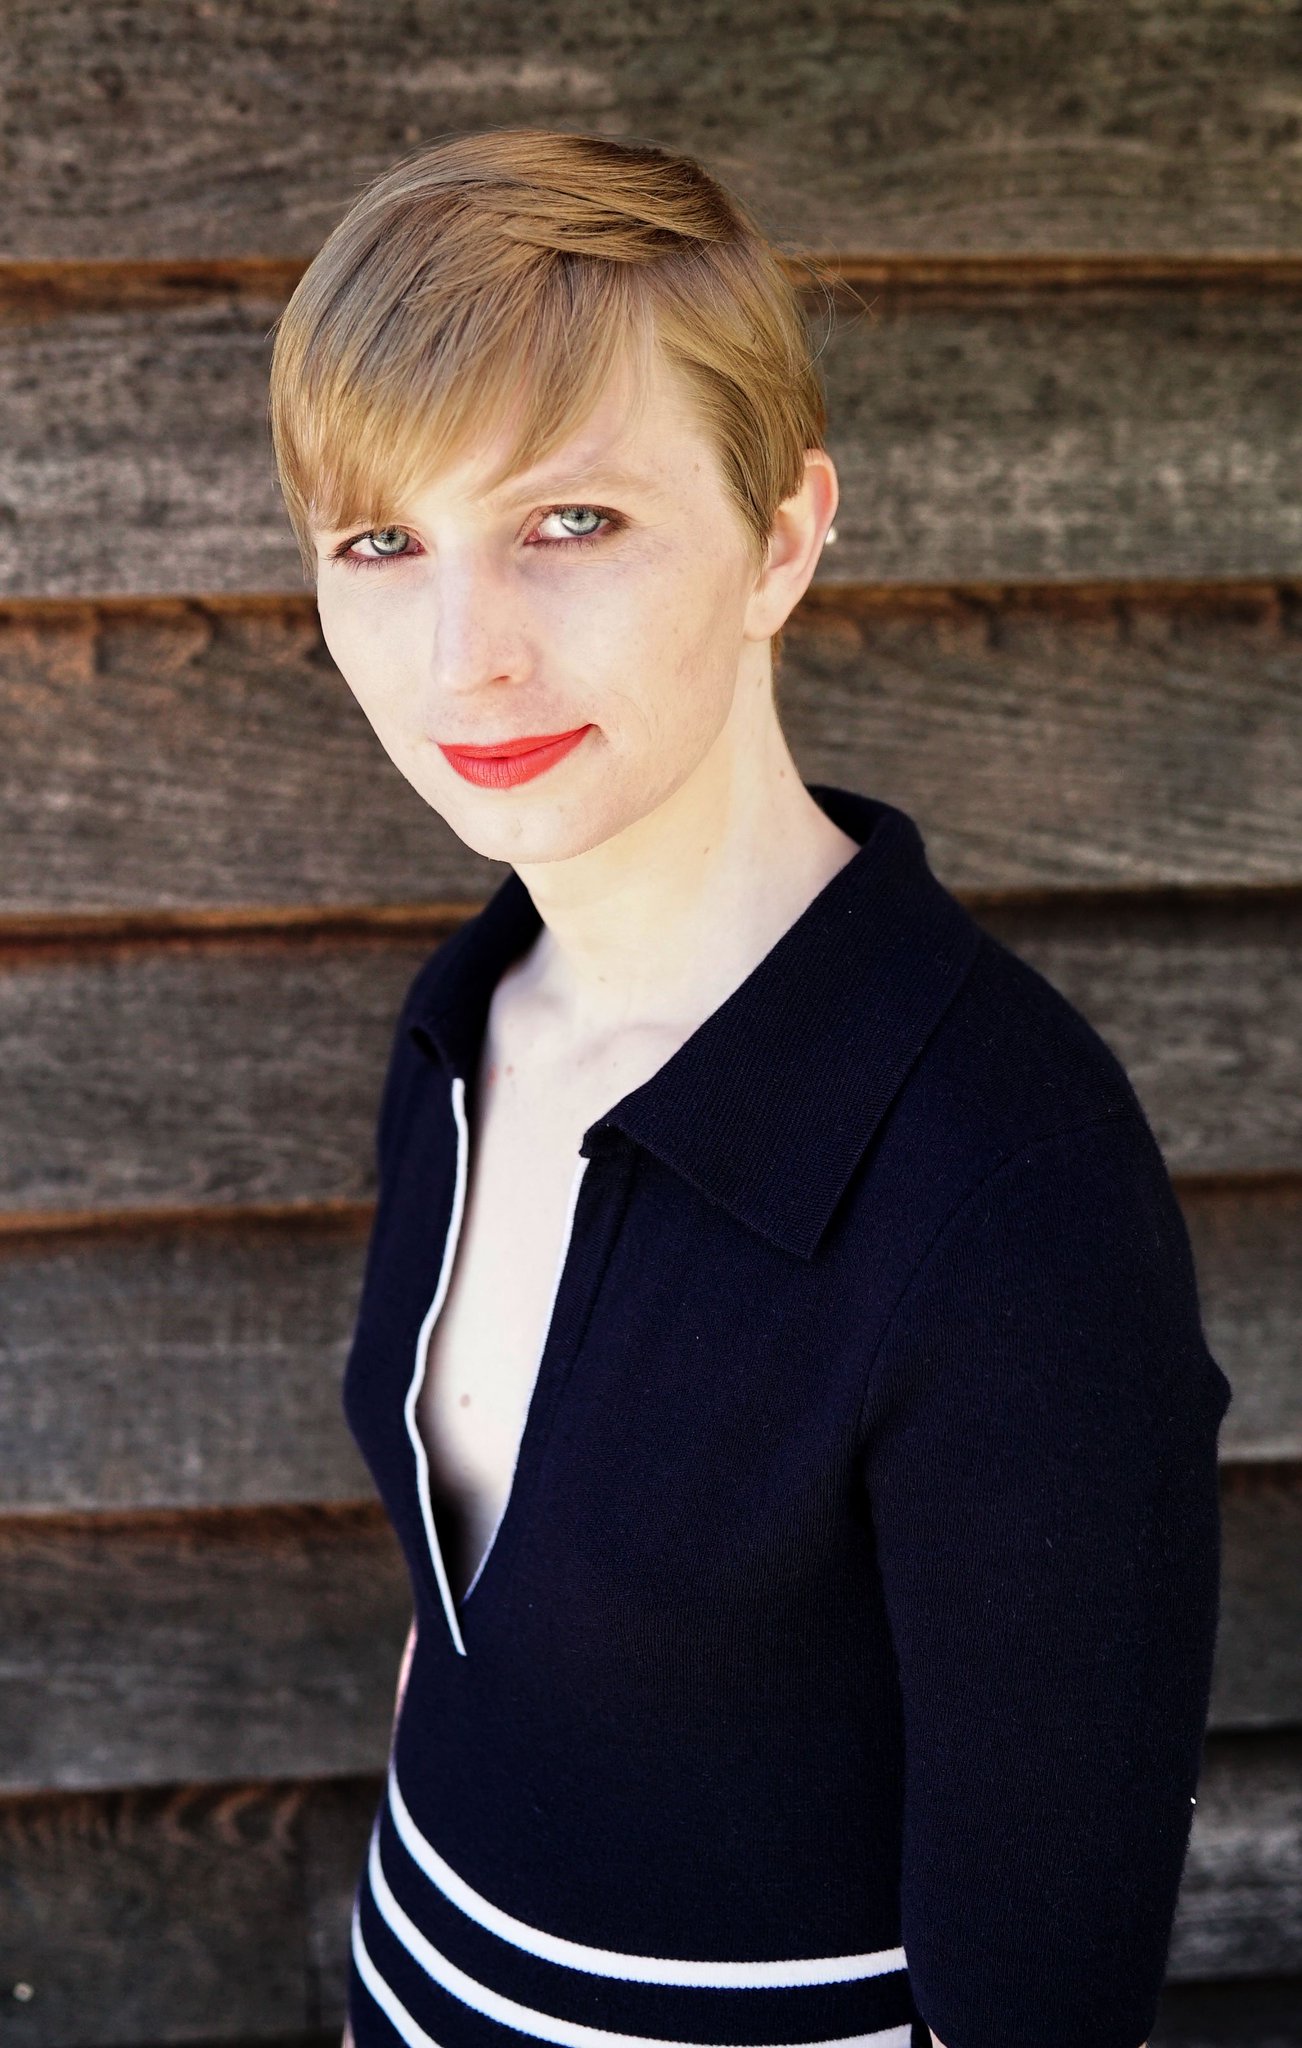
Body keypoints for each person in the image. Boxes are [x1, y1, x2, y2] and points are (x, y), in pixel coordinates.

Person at [267, 129, 1232, 2048]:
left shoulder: (1011, 1191)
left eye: (570, 520)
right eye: (382, 543)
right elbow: (482, 1623)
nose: (464, 656)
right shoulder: (468, 1023)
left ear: (781, 537)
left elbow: (1037, 1992)